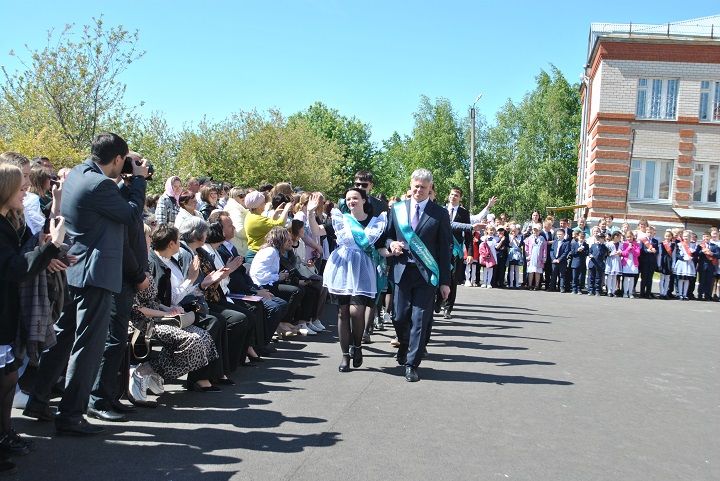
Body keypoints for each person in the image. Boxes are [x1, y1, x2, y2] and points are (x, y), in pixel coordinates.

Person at [25, 133, 148, 436]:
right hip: (95, 274)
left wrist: (126, 181)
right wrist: (140, 181)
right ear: (118, 160)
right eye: (126, 161)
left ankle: (38, 400)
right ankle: (70, 415)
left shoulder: (79, 175)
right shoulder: (101, 184)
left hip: (75, 269)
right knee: (88, 346)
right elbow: (132, 216)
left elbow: (106, 210)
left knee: (64, 338)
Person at [0, 163, 65, 473]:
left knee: (10, 376)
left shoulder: (14, 221)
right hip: (4, 308)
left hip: (10, 311)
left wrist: (56, 253)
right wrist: (51, 246)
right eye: (20, 185)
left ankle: (5, 433)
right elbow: (15, 267)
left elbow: (32, 249)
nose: (25, 189)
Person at [88, 151, 151, 422]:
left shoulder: (125, 192)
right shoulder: (117, 196)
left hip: (126, 278)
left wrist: (134, 180)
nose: (141, 168)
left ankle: (112, 395)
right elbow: (123, 244)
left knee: (119, 341)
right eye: (134, 161)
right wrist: (138, 275)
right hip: (120, 277)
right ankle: (98, 399)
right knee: (112, 340)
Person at [307, 189, 389, 372]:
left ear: (364, 200)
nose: (352, 201)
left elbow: (381, 248)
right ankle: (345, 355)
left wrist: (392, 252)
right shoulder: (340, 219)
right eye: (348, 198)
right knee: (342, 313)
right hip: (342, 268)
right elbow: (316, 231)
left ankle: (357, 346)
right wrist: (310, 212)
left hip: (363, 270)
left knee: (356, 311)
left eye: (355, 198)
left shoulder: (375, 222)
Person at [384, 169, 451, 382]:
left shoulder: (439, 213)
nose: (418, 190)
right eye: (416, 186)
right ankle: (404, 344)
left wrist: (445, 282)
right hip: (401, 270)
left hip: (426, 274)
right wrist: (391, 244)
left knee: (420, 319)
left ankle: (412, 363)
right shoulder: (397, 209)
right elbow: (386, 236)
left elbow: (444, 248)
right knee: (399, 316)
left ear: (430, 188)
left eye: (423, 187)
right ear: (410, 184)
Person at [444, 187, 471, 317]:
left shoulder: (464, 213)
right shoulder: (441, 210)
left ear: (460, 198)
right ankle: (440, 300)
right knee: (440, 276)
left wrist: (470, 252)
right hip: (442, 249)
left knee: (453, 278)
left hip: (456, 251)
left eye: (456, 195)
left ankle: (448, 307)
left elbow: (468, 233)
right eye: (452, 194)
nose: (453, 197)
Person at [244, 190, 293, 264]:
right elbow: (279, 225)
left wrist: (275, 214)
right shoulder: (256, 219)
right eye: (263, 202)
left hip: (257, 252)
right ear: (258, 205)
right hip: (256, 254)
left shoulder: (252, 215)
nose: (265, 204)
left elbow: (267, 227)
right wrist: (286, 210)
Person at [673, 230, 697, 300]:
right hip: (682, 263)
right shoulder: (679, 244)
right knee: (681, 279)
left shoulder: (693, 245)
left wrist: (692, 257)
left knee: (687, 280)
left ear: (690, 237)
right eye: (685, 236)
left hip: (689, 263)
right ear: (682, 237)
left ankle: (685, 294)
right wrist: (683, 258)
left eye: (688, 236)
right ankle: (680, 294)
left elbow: (696, 254)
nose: (686, 237)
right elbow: (677, 254)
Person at [524, 224, 546, 290]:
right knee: (531, 271)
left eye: (537, 231)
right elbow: (526, 247)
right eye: (534, 230)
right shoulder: (529, 238)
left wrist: (544, 257)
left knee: (537, 272)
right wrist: (527, 255)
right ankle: (530, 285)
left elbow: (544, 249)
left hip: (539, 257)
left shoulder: (542, 238)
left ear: (539, 231)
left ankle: (537, 285)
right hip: (531, 256)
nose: (535, 232)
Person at [620, 231, 641, 298]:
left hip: (633, 263)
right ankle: (625, 292)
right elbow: (623, 254)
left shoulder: (636, 244)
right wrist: (628, 248)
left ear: (633, 237)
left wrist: (633, 249)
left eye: (630, 237)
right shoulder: (624, 244)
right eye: (628, 237)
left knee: (632, 278)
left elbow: (638, 254)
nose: (629, 238)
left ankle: (630, 292)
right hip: (626, 263)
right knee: (626, 278)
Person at [587, 231, 608, 296]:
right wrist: (590, 254)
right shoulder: (593, 245)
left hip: (599, 264)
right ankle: (591, 290)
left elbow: (605, 253)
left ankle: (597, 290)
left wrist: (601, 245)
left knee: (598, 278)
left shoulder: (604, 246)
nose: (599, 239)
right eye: (598, 238)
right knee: (591, 277)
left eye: (601, 238)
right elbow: (589, 252)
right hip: (592, 263)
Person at [549, 228, 570, 292]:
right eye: (558, 234)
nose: (559, 236)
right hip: (554, 261)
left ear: (564, 235)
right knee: (553, 274)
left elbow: (565, 252)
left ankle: (561, 287)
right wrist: (553, 259)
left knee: (562, 275)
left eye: (560, 234)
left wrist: (559, 259)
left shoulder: (566, 242)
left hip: (562, 261)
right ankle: (552, 287)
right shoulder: (555, 242)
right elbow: (551, 251)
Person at [658, 230, 675, 299]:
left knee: (667, 278)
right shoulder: (661, 244)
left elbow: (673, 255)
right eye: (666, 236)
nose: (667, 237)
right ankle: (661, 293)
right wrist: (659, 264)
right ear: (664, 236)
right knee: (662, 278)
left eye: (669, 236)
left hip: (669, 262)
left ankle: (665, 293)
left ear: (671, 237)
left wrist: (673, 264)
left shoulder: (673, 245)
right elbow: (659, 254)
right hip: (663, 261)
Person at [605, 231, 623, 297]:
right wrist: (611, 253)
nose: (620, 238)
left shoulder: (621, 244)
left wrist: (620, 253)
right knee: (609, 276)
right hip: (610, 260)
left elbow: (622, 252)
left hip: (617, 260)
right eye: (619, 237)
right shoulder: (609, 244)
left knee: (615, 276)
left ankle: (613, 291)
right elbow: (606, 253)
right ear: (615, 236)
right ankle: (609, 290)